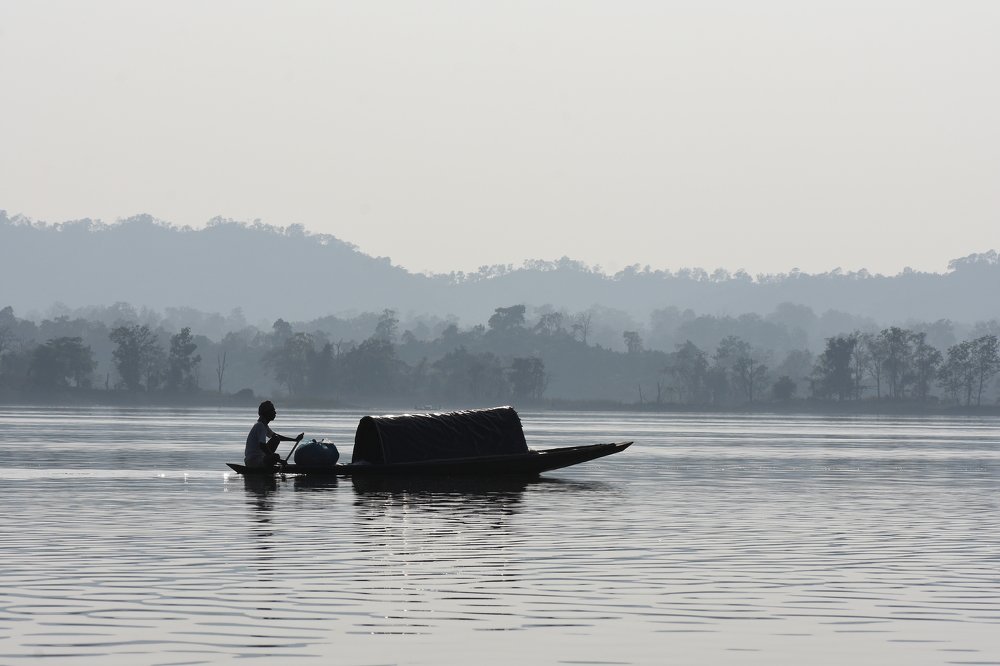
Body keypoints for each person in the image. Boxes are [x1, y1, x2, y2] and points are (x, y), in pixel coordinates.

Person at [244, 400, 304, 468]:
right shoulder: (260, 426)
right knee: (276, 456)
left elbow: (276, 436)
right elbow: (262, 446)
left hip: (259, 458)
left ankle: (268, 463)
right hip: (253, 461)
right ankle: (267, 465)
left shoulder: (264, 426)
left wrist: (294, 440)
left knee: (276, 438)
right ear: (266, 413)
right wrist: (279, 460)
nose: (275, 413)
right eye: (272, 411)